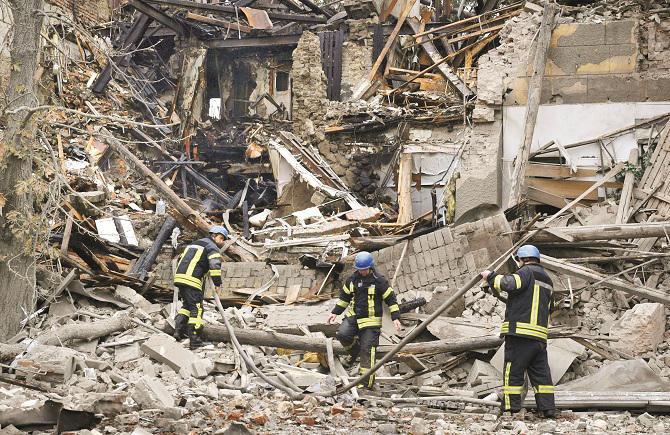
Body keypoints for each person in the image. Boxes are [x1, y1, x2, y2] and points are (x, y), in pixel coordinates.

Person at [480, 244, 556, 418]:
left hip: (520, 335)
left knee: (513, 371)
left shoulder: (525, 272)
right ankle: (548, 409)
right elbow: (550, 307)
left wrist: (490, 276)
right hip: (539, 338)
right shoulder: (548, 280)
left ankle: (511, 407)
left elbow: (509, 283)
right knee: (541, 375)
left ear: (522, 259)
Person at [327, 251, 402, 389]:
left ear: (370, 267)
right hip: (354, 317)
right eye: (360, 270)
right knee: (342, 334)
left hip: (371, 321)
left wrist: (396, 317)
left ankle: (366, 382)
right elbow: (344, 298)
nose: (362, 272)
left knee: (368, 349)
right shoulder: (352, 280)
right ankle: (355, 353)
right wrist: (335, 313)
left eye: (365, 269)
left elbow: (391, 299)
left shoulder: (379, 280)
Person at [173, 226, 227, 349]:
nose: (222, 241)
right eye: (221, 238)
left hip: (180, 278)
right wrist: (217, 283)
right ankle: (195, 340)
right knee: (197, 309)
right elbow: (214, 265)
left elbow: (182, 259)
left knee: (187, 306)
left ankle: (178, 332)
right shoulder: (212, 247)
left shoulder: (194, 244)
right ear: (214, 235)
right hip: (192, 280)